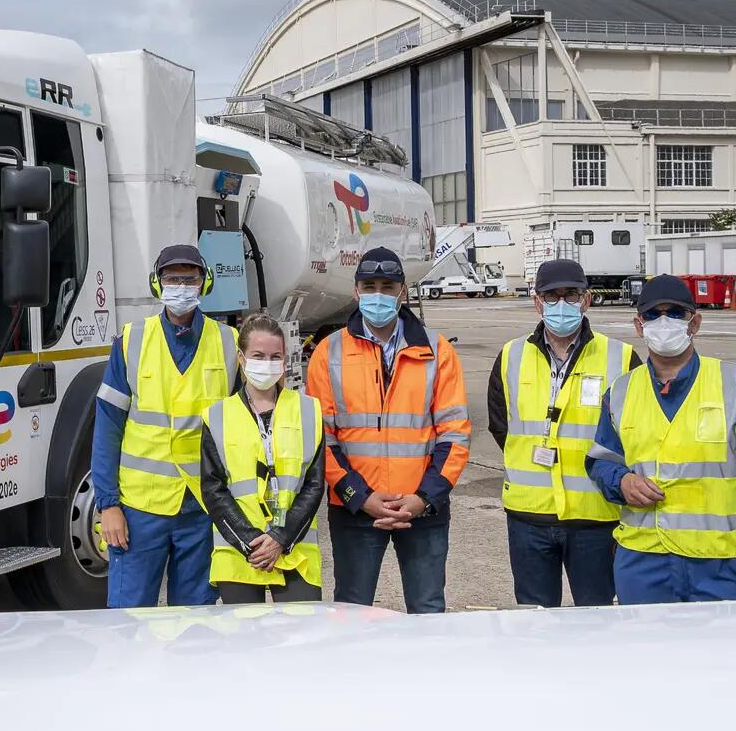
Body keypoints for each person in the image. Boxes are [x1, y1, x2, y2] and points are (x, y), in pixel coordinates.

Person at [585, 273, 736, 604]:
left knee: (728, 655)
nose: (664, 322)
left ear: (694, 323)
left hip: (723, 565)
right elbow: (600, 461)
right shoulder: (622, 391)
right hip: (643, 563)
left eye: (676, 313)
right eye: (653, 315)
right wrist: (621, 481)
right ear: (639, 325)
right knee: (648, 654)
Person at [304, 246, 469, 613]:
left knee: (427, 610)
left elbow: (454, 435)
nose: (378, 294)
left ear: (403, 292)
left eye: (387, 286)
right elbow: (320, 438)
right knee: (351, 611)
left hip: (422, 510)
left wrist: (423, 498)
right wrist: (359, 496)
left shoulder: (437, 351)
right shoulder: (328, 353)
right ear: (356, 291)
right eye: (370, 285)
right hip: (355, 508)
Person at [92, 244, 238, 608]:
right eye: (173, 278)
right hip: (141, 508)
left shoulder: (228, 343)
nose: (182, 286)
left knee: (195, 625)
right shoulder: (131, 340)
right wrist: (107, 505)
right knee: (129, 616)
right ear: (157, 284)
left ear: (206, 283)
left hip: (203, 508)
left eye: (191, 279)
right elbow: (107, 427)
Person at [488, 258, 637, 608]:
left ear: (586, 300)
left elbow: (634, 432)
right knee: (534, 619)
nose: (561, 304)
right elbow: (501, 425)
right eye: (551, 296)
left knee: (596, 617)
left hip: (595, 517)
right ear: (537, 301)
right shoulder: (511, 356)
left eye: (571, 295)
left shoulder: (621, 357)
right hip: (529, 516)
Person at [197, 313, 324, 604]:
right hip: (240, 551)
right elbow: (213, 488)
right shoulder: (218, 415)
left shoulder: (308, 410)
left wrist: (280, 538)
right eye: (258, 355)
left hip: (295, 550)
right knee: (244, 644)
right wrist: (249, 541)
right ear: (241, 358)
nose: (266, 364)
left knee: (300, 641)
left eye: (274, 356)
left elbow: (314, 485)